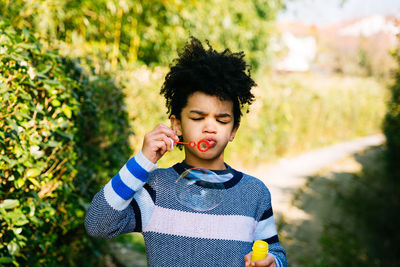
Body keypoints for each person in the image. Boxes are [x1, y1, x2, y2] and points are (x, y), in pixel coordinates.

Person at [85, 37, 287, 267]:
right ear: (177, 125)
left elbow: (274, 250)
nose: (210, 127)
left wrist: (273, 262)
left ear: (233, 130)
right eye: (198, 118)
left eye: (221, 120)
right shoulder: (156, 189)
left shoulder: (253, 194)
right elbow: (98, 223)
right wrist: (142, 161)